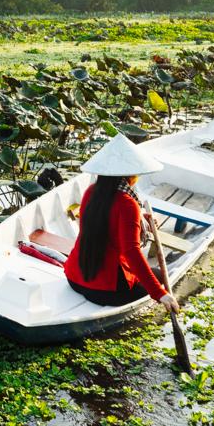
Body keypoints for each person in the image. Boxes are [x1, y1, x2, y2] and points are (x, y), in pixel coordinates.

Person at [62, 134, 181, 312]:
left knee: (148, 273)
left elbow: (105, 223)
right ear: (130, 175)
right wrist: (159, 293)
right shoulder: (127, 203)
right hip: (108, 291)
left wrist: (140, 219)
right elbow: (131, 251)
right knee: (160, 274)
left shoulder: (91, 192)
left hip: (74, 279)